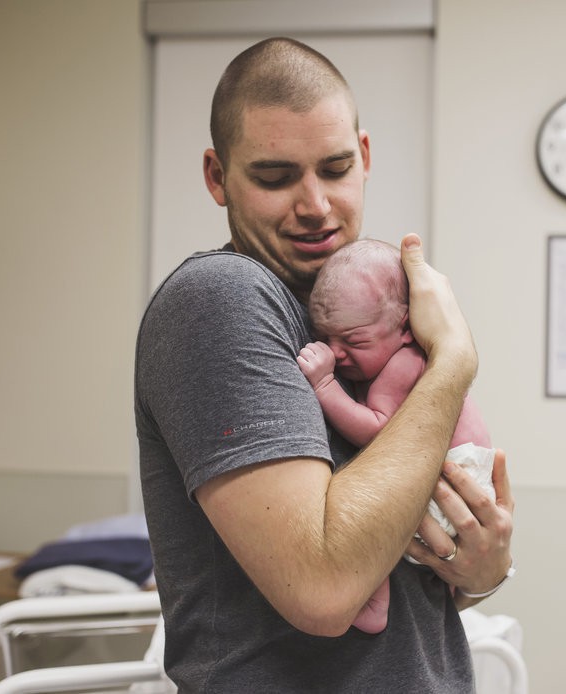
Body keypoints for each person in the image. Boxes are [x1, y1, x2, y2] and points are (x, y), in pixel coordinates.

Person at [135, 37, 514, 692]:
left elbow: (411, 572)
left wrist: (478, 570)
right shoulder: (221, 300)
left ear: (364, 157)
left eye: (335, 169)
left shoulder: (350, 306)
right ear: (217, 176)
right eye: (275, 178)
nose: (314, 205)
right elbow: (325, 590)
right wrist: (452, 361)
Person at [297, 237, 497, 635]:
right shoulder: (395, 355)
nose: (337, 354)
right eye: (327, 338)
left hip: (452, 478)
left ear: (405, 327)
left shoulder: (405, 364)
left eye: (354, 341)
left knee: (377, 521)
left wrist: (324, 386)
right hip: (462, 480)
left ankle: (374, 602)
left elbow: (377, 430)